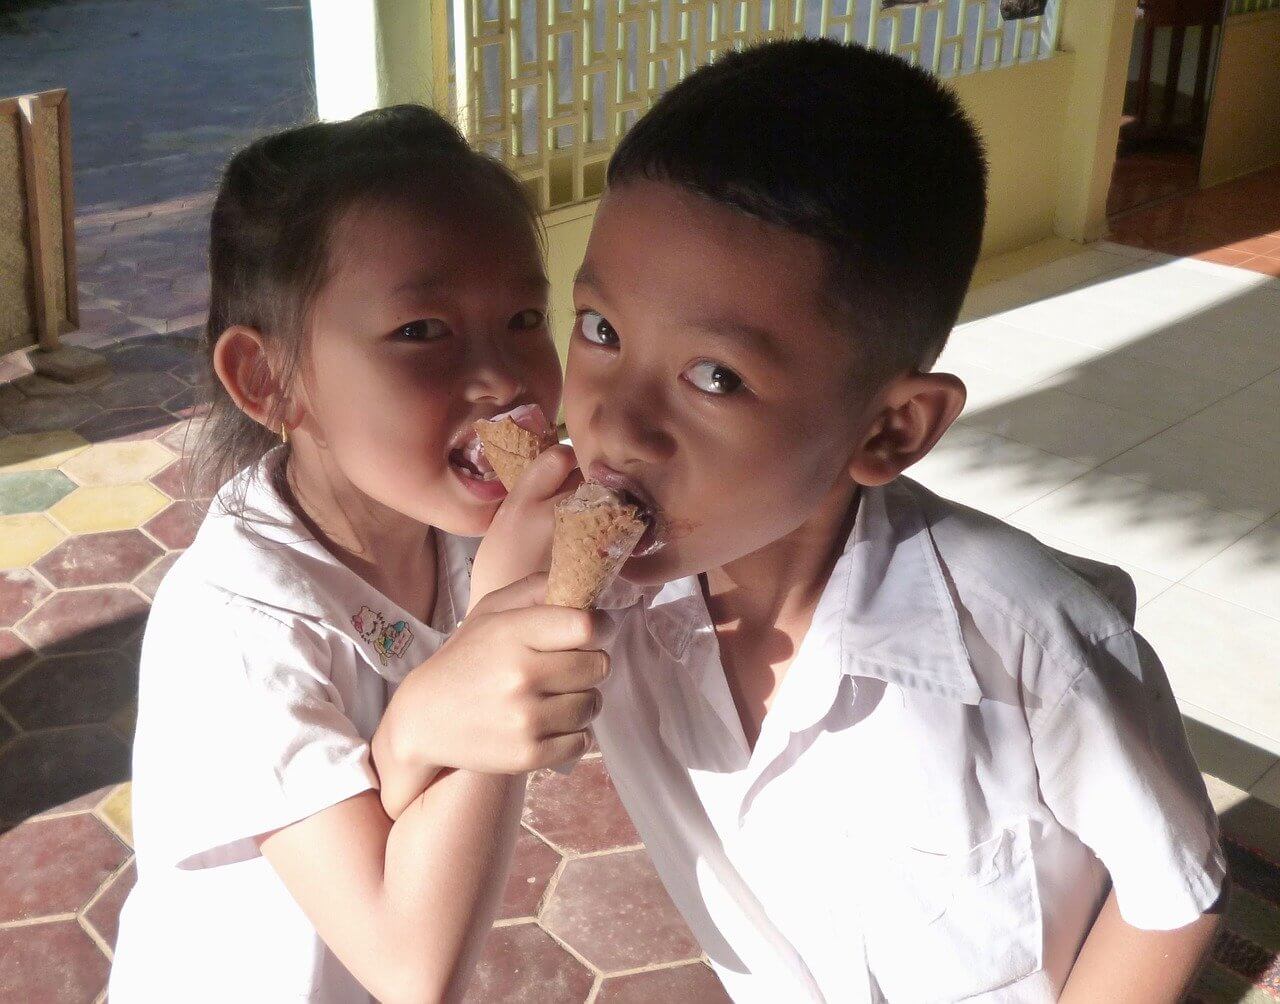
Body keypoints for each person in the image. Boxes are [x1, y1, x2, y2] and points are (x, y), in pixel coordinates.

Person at [560, 39, 1227, 1002]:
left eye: (716, 376)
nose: (613, 423)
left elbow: (1171, 891)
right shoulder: (589, 599)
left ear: (891, 428)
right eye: (600, 329)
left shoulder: (1033, 643)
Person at [109, 105, 608, 1003]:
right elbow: (413, 968)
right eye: (422, 330)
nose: (503, 377)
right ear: (270, 381)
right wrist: (506, 619)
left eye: (527, 315)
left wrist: (417, 733)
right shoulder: (235, 628)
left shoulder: (459, 540)